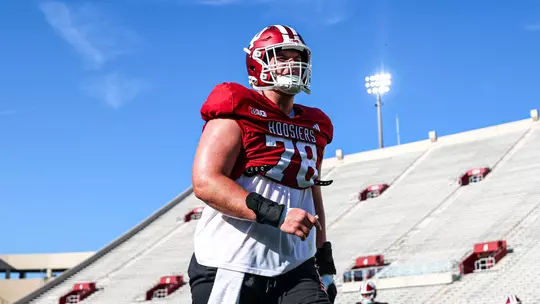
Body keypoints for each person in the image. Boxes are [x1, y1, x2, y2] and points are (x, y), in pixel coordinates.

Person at [188, 24, 337, 304]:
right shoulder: (237, 107)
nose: (292, 64)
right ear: (259, 62)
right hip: (232, 263)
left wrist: (324, 262)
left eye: (298, 57)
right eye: (282, 57)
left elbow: (312, 192)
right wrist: (278, 215)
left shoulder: (315, 125)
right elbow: (206, 182)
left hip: (295, 267)